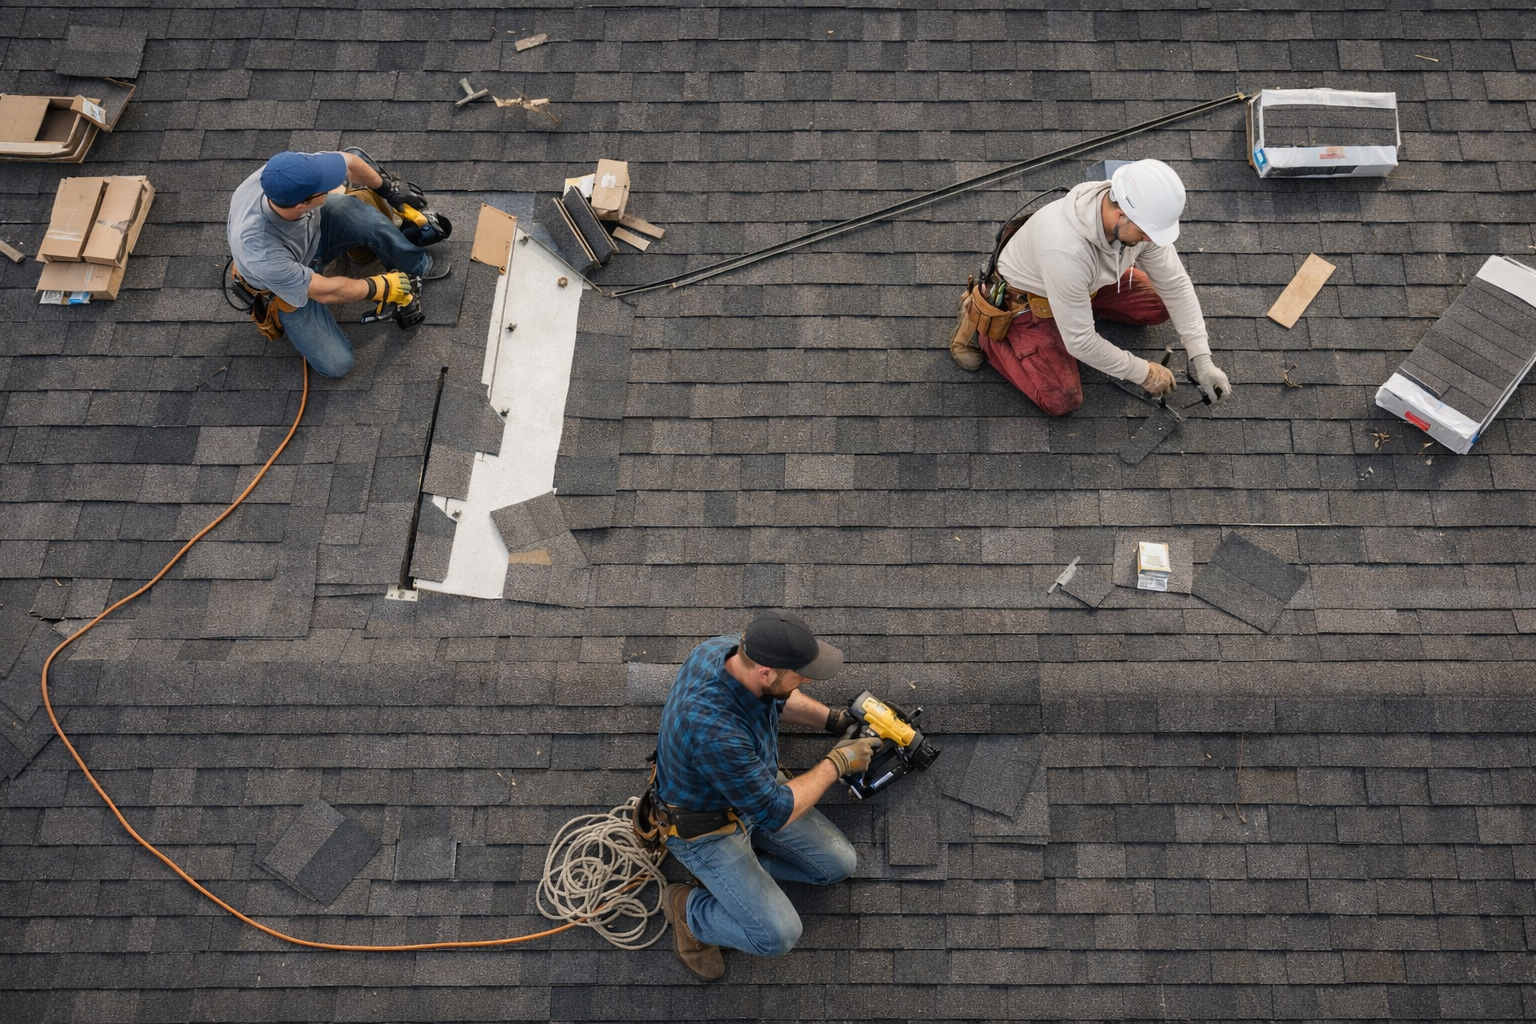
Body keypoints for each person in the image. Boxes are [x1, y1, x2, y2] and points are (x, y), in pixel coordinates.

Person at [652, 610, 881, 980]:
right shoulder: (715, 731)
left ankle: (739, 881)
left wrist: (834, 720)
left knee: (838, 865)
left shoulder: (726, 651)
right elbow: (775, 810)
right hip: (707, 830)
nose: (806, 678)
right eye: (800, 673)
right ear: (765, 672)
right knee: (777, 935)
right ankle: (689, 911)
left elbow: (777, 697)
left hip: (749, 788)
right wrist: (837, 763)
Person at [949, 158, 1232, 416]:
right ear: (1121, 213)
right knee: (1061, 399)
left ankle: (1076, 307)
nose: (1150, 240)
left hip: (1084, 283)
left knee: (1157, 306)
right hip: (1030, 299)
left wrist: (1202, 357)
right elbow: (1081, 342)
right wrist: (1142, 372)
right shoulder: (1065, 250)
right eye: (1145, 233)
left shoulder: (1138, 216)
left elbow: (1176, 284)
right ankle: (984, 329)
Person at [226, 150, 451, 378]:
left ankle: (416, 265)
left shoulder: (285, 173)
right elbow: (325, 291)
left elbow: (350, 162)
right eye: (324, 187)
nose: (332, 184)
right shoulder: (259, 249)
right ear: (301, 205)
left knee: (347, 207)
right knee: (336, 364)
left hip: (315, 233)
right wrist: (380, 286)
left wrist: (388, 190)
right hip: (286, 286)